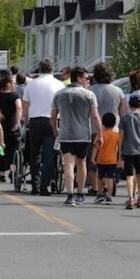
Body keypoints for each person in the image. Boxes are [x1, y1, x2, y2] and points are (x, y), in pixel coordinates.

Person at [51, 66, 103, 207]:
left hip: (66, 134)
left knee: (68, 164)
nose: (88, 81)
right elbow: (95, 116)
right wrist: (100, 134)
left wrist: (56, 130)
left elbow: (53, 116)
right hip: (82, 134)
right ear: (79, 78)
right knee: (81, 163)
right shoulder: (89, 95)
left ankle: (70, 195)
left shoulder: (59, 94)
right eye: (86, 78)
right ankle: (80, 193)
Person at [23, 58, 64, 196]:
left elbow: (25, 105)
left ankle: (35, 184)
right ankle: (44, 185)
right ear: (52, 69)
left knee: (35, 154)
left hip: (35, 120)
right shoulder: (59, 85)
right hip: (52, 120)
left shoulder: (31, 84)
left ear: (39, 69)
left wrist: (26, 119)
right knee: (49, 155)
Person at [88, 62, 126, 194]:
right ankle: (110, 185)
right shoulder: (118, 91)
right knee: (111, 160)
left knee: (94, 160)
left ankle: (95, 187)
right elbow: (123, 113)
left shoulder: (90, 91)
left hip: (95, 130)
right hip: (114, 131)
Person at [120, 93, 140, 210]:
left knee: (129, 176)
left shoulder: (124, 118)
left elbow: (121, 137)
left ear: (129, 104)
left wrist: (120, 153)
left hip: (128, 150)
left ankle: (130, 198)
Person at [0, 73, 21, 183]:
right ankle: (13, 171)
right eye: (13, 83)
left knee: (1, 150)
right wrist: (17, 122)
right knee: (14, 150)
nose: (15, 85)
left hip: (0, 127)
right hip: (13, 126)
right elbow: (19, 107)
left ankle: (1, 174)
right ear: (8, 84)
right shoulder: (15, 96)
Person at [93, 112, 121, 204]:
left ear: (103, 123)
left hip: (101, 160)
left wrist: (93, 157)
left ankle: (100, 193)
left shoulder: (101, 135)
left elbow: (96, 147)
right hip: (112, 160)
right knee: (110, 179)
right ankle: (109, 196)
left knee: (100, 177)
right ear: (114, 124)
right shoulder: (116, 136)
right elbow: (119, 147)